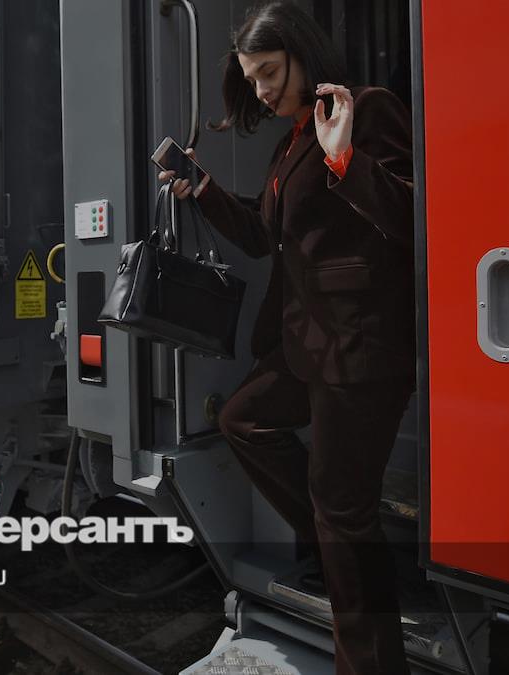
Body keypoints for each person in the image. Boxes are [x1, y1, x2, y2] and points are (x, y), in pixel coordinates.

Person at [159, 2, 415, 673]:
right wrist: (202, 188)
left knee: (343, 514)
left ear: (303, 53)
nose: (262, 90)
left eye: (269, 72)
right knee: (245, 421)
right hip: (307, 345)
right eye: (252, 80)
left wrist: (346, 159)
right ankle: (344, 546)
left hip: (360, 349)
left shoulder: (366, 109)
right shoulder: (288, 142)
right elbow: (260, 236)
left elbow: (414, 217)